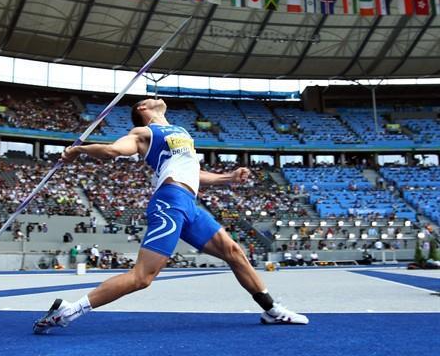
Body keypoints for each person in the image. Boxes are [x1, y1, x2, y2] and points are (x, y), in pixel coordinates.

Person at [33, 98, 308, 334]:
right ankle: (69, 312)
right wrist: (78, 150)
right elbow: (114, 150)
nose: (156, 97)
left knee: (234, 251)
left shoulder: (179, 132)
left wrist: (229, 178)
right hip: (169, 202)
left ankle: (271, 310)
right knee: (142, 277)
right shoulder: (144, 132)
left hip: (189, 203)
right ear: (143, 107)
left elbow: (194, 173)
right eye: (149, 98)